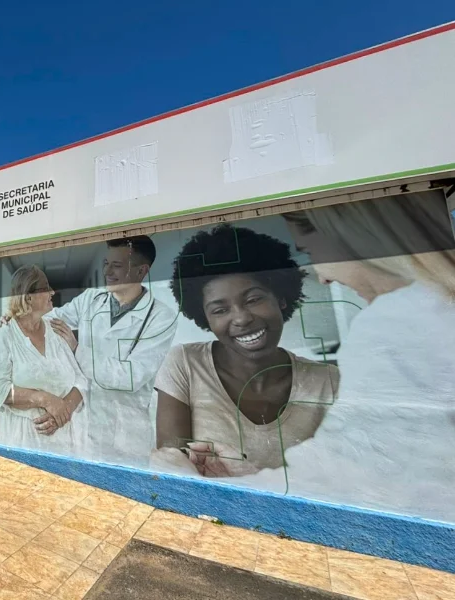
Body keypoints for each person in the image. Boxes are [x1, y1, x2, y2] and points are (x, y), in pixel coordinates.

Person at [197, 192, 455, 522]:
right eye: (219, 309)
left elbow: (356, 477)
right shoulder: (424, 312)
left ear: (352, 234)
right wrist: (248, 473)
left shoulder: (395, 324)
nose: (322, 277)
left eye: (311, 252)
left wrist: (209, 486)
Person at [154, 225, 338, 476]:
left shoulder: (328, 381)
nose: (241, 318)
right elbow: (172, 467)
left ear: (281, 298)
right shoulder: (185, 363)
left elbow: (342, 481)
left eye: (253, 300)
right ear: (205, 319)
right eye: (220, 310)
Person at [36, 236, 177, 467]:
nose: (107, 272)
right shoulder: (91, 299)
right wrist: (19, 319)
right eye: (106, 263)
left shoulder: (161, 317)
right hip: (83, 427)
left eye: (117, 266)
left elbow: (130, 376)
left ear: (142, 271)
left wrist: (77, 348)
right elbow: (49, 321)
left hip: (125, 439)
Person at [0, 265, 87, 455]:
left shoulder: (56, 329)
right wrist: (45, 400)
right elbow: (1, 390)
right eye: (45, 287)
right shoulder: (6, 334)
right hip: (20, 441)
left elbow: (81, 380)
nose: (52, 292)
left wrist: (64, 409)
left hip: (62, 442)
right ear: (28, 297)